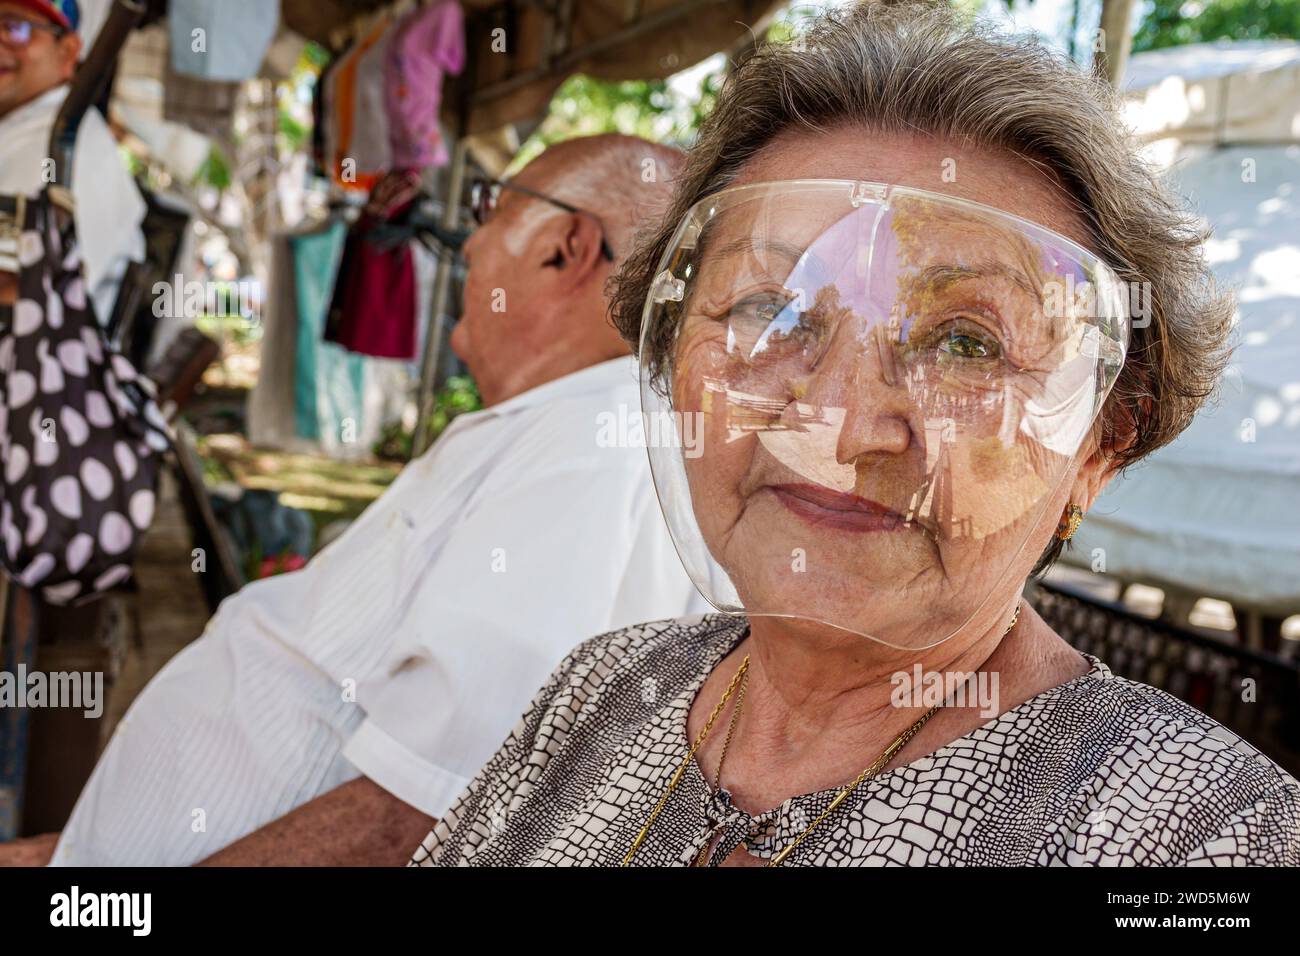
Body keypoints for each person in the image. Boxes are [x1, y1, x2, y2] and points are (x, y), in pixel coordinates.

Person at [413, 3, 1300, 867]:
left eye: (966, 344)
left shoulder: (1203, 837)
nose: (841, 430)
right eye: (770, 309)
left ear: (1101, 446)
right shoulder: (604, 690)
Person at [26, 133, 703, 866]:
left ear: (564, 248)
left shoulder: (587, 444)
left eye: (491, 207)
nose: (470, 241)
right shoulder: (569, 430)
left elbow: (426, 811)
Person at [0, 0, 144, 321]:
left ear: (67, 53)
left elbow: (11, 294)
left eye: (14, 28)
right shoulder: (20, 131)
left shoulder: (57, 148)